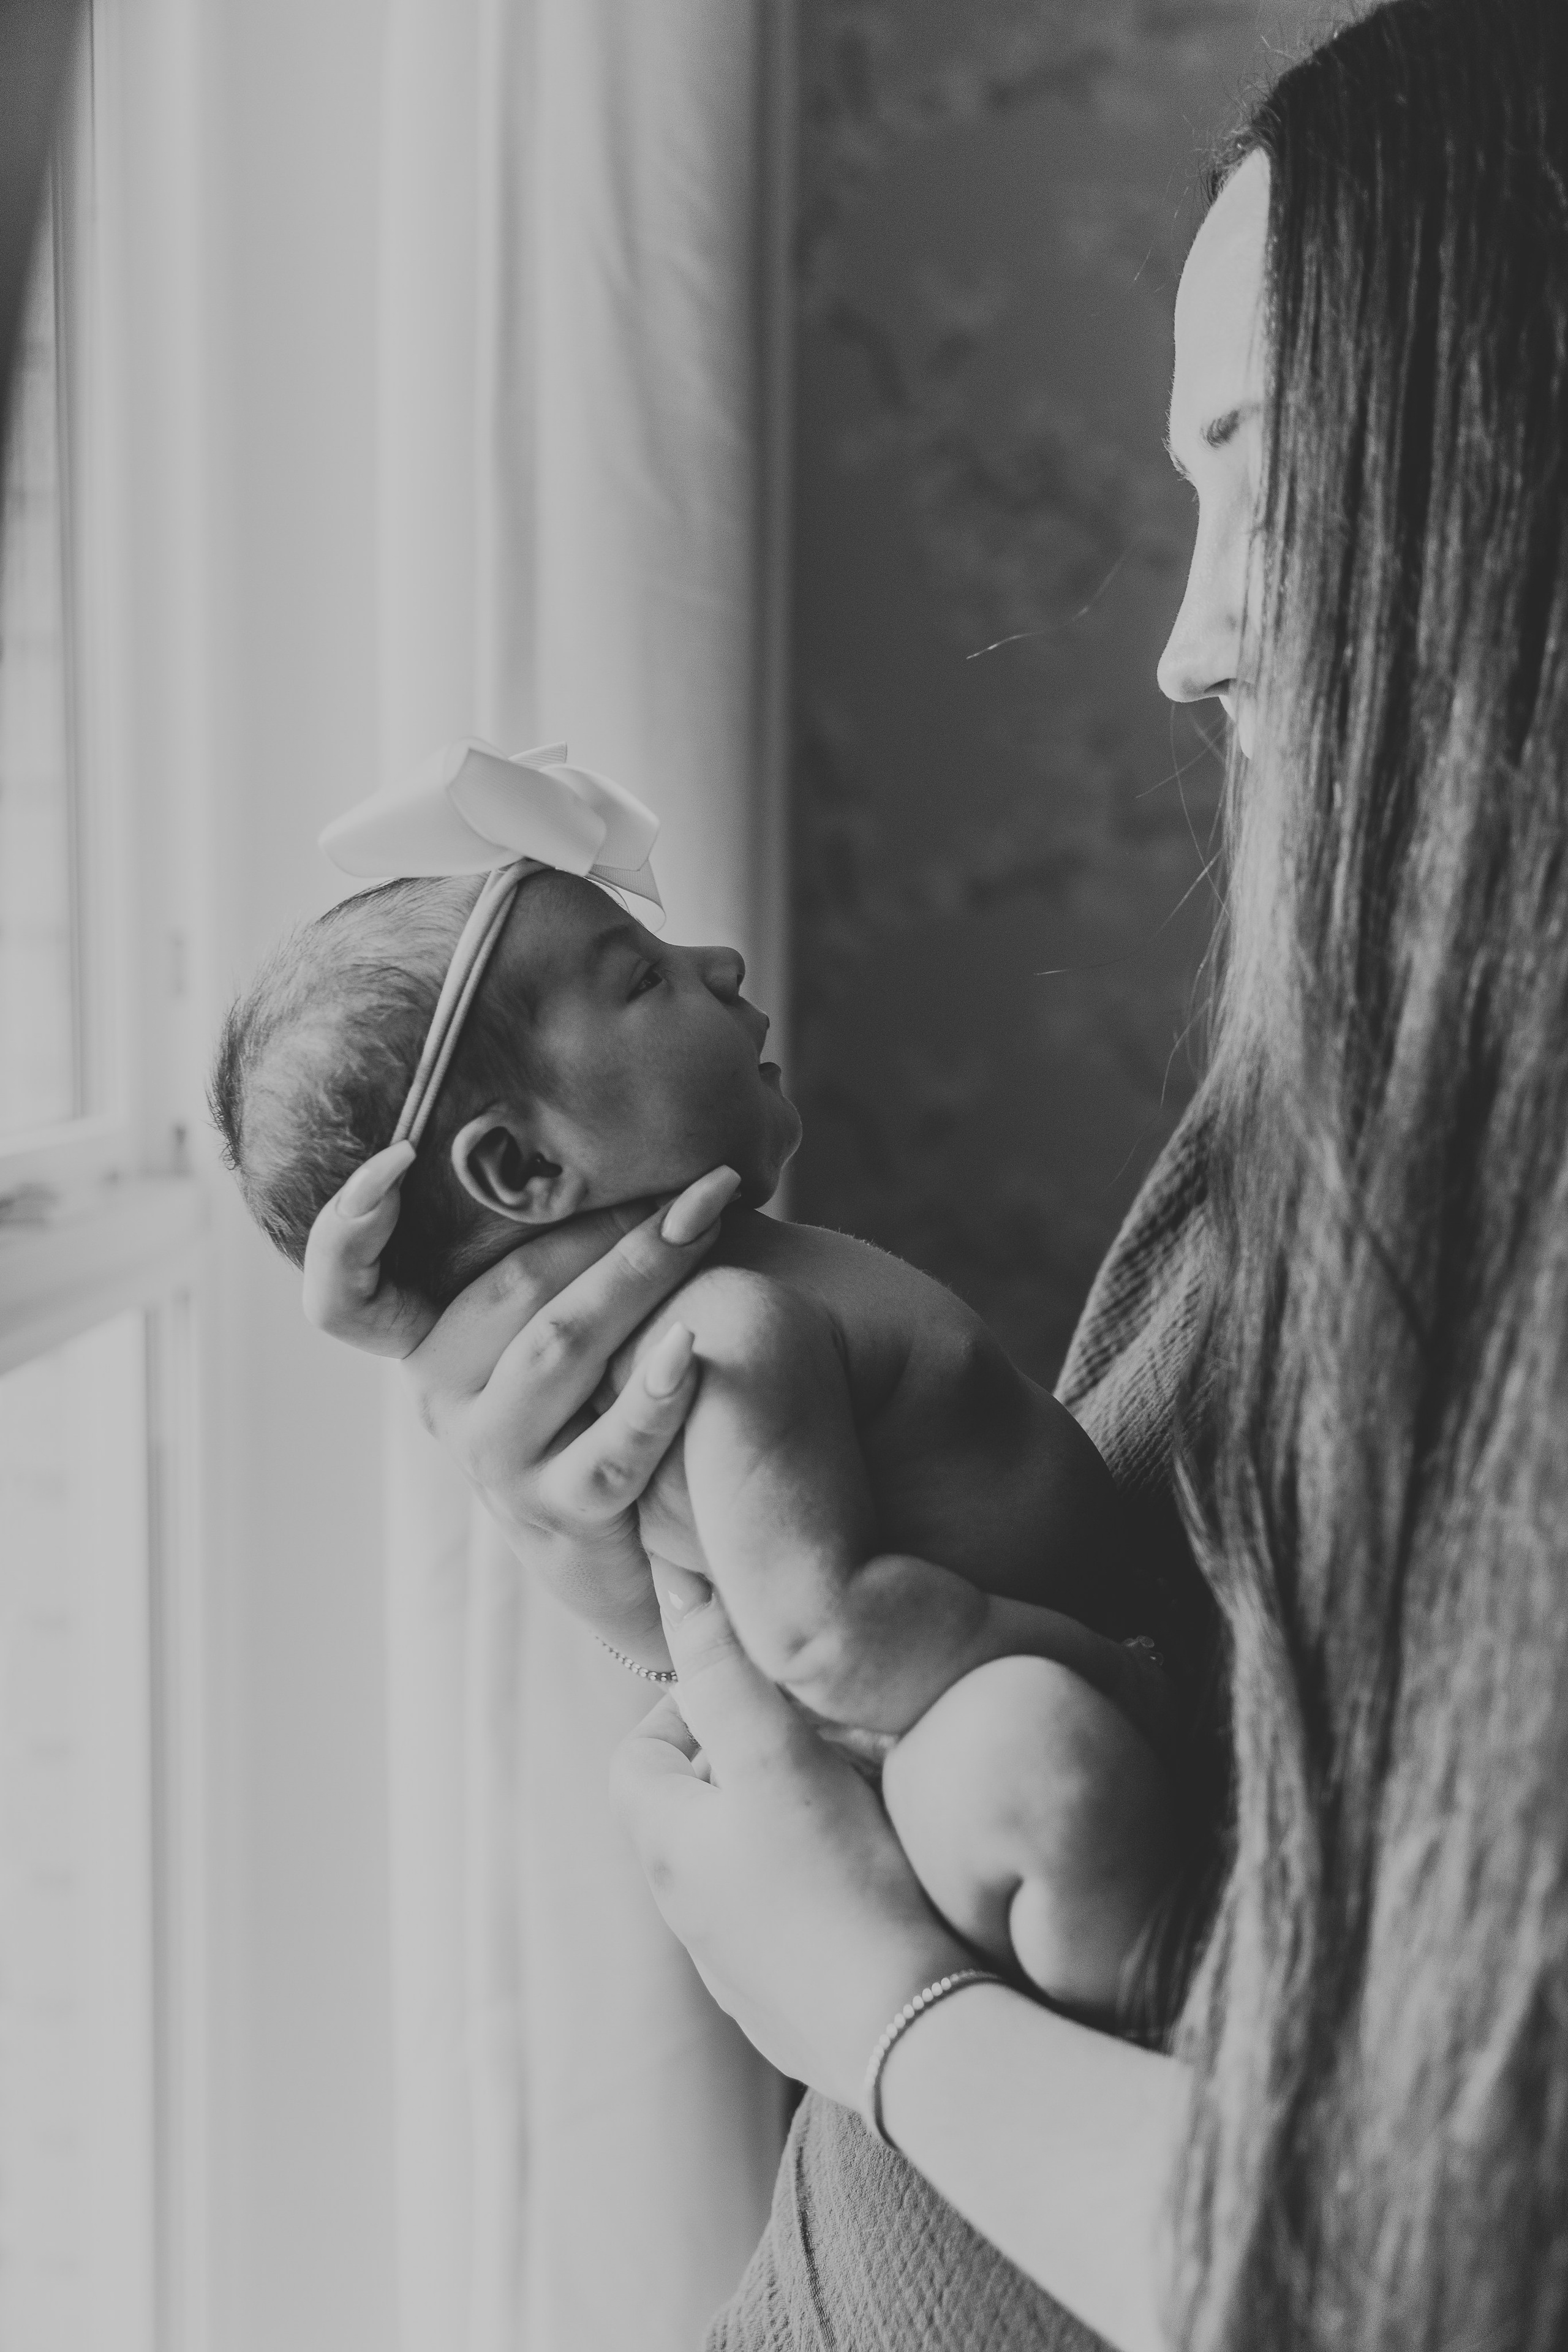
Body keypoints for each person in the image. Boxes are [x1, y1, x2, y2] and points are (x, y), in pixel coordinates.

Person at [303, 1, 1568, 2345]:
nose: (1187, 645)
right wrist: (642, 1574)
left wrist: (874, 2012)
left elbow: (1443, 2278)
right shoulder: (1289, 1162)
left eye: (1261, 484)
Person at [215, 852, 1188, 2013]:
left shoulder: (736, 1296)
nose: (718, 963)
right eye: (641, 976)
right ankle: (1171, 1993)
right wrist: (1098, 1669)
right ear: (522, 1166)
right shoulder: (727, 1331)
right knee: (1041, 1765)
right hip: (943, 1734)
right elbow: (824, 1639)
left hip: (960, 1699)